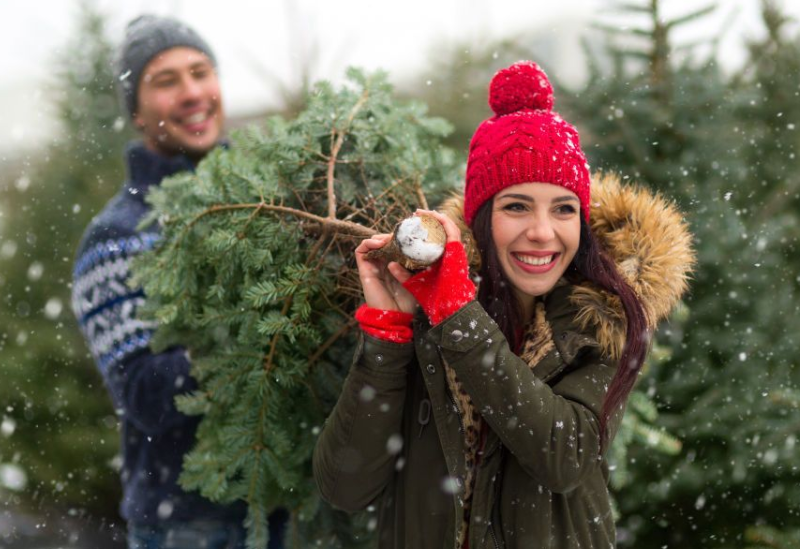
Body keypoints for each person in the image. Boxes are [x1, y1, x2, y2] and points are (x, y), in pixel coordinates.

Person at [313, 61, 694, 548]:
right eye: (516, 206)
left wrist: (459, 317)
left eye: (563, 209)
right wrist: (388, 334)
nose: (542, 231)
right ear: (481, 220)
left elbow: (565, 456)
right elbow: (344, 485)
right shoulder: (428, 317)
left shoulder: (604, 319)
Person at [71, 15, 286, 549]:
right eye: (166, 81)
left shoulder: (276, 201)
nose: (193, 93)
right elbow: (143, 393)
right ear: (138, 112)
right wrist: (256, 333)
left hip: (291, 502)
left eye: (200, 72)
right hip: (189, 524)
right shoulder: (115, 239)